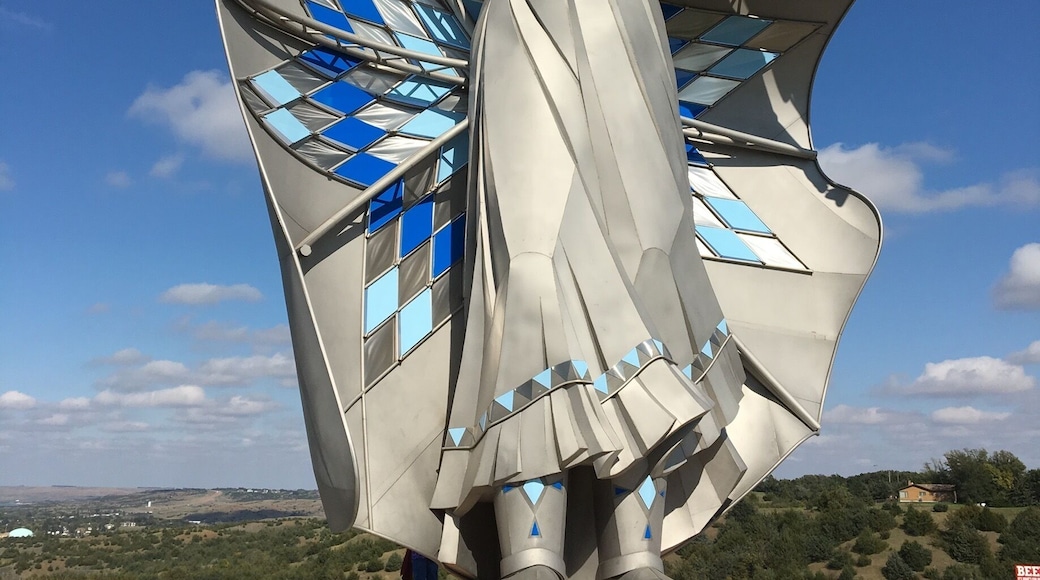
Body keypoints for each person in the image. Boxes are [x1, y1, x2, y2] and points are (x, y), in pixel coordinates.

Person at [429, 0, 746, 577]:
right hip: (519, 22)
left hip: (628, 36)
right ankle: (530, 554)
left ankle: (634, 550)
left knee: (648, 269)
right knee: (530, 261)